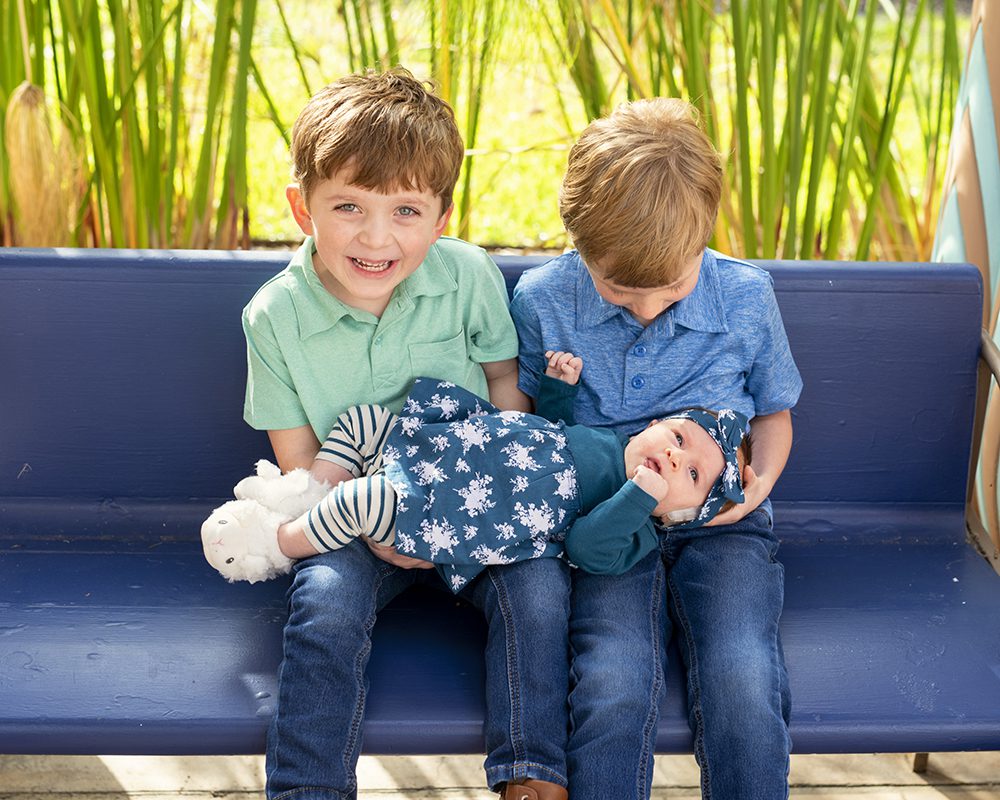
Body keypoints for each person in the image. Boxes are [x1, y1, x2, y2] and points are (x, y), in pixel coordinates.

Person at [242, 68, 568, 800]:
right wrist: (386, 517)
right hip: (355, 512)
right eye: (348, 206)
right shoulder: (275, 317)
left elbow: (507, 404)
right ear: (302, 209)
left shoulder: (469, 277)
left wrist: (456, 511)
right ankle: (307, 790)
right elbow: (300, 467)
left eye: (407, 211)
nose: (376, 237)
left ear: (443, 216)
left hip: (474, 493)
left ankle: (532, 773)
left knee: (540, 592)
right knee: (324, 604)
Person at [510, 97, 804, 800]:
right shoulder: (543, 299)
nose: (645, 306)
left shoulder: (744, 297)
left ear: (704, 236)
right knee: (612, 680)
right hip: (608, 524)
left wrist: (755, 489)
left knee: (743, 675)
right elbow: (529, 418)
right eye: (618, 288)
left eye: (670, 286)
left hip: (723, 527)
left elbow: (774, 414)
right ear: (576, 240)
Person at [208, 363, 750, 590]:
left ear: (678, 516)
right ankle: (305, 497)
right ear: (654, 426)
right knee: (364, 421)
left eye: (694, 474)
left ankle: (279, 543)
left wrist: (637, 499)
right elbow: (550, 428)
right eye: (678, 439)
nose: (676, 458)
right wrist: (560, 389)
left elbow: (587, 548)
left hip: (458, 508)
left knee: (365, 501)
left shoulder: (636, 534)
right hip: (443, 452)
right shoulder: (607, 439)